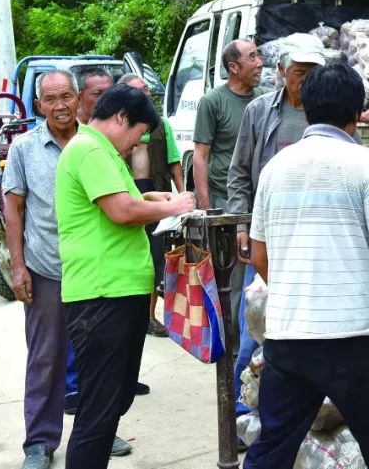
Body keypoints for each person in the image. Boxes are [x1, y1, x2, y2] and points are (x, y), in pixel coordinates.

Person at [243, 62, 369, 469]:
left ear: (305, 109)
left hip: (289, 338)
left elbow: (258, 255)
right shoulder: (366, 164)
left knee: (272, 448)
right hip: (357, 339)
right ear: (357, 112)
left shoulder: (275, 169)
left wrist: (296, 293)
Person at [55, 83, 196, 469]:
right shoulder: (89, 150)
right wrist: (174, 208)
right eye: (138, 134)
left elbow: (128, 197)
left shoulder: (104, 153)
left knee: (113, 402)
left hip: (119, 293)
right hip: (102, 296)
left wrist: (156, 199)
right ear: (121, 118)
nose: (138, 144)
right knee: (99, 410)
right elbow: (121, 210)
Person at [226, 32, 326, 425]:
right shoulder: (260, 112)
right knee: (256, 326)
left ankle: (303, 410)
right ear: (282, 72)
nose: (306, 79)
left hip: (314, 237)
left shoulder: (328, 110)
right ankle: (239, 408)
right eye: (300, 72)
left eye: (313, 72)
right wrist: (241, 226)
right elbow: (239, 173)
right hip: (266, 236)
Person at [1, 69, 92, 469]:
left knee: (96, 356)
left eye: (66, 96)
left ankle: (97, 431)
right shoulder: (24, 148)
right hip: (46, 268)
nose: (60, 106)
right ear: (39, 106)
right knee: (45, 358)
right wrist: (18, 267)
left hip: (93, 268)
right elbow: (14, 210)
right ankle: (39, 442)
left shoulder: (95, 142)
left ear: (78, 99)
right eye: (51, 99)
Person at [192, 39, 265, 346]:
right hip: (227, 201)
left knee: (258, 273)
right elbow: (200, 157)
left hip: (259, 203)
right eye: (252, 57)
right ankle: (235, 346)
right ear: (233, 67)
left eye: (259, 54)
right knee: (235, 278)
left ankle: (257, 339)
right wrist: (209, 210)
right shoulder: (214, 101)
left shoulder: (264, 99)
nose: (260, 62)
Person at [120, 72, 184, 338]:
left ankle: (149, 316)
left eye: (146, 89)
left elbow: (173, 160)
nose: (145, 94)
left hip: (157, 194)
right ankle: (133, 315)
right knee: (134, 257)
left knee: (156, 257)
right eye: (138, 91)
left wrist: (183, 194)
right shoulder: (118, 127)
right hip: (128, 197)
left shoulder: (161, 125)